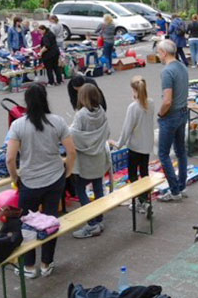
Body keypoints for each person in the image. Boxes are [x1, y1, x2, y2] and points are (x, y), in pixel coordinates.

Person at [6, 83, 76, 278]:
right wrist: (67, 172)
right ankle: (47, 263)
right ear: (45, 99)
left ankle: (28, 266)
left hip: (29, 181)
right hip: (55, 179)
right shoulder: (58, 121)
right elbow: (71, 151)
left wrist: (15, 178)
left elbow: (10, 158)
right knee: (50, 220)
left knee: (27, 223)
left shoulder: (18, 125)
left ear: (27, 102)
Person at [69, 84, 110, 239]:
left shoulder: (81, 115)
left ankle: (91, 223)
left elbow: (73, 134)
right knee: (98, 187)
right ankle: (99, 219)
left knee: (80, 189)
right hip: (98, 157)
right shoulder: (101, 111)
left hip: (85, 159)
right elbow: (107, 131)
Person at [111, 76, 154, 214]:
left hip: (135, 146)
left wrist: (118, 144)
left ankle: (140, 201)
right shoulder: (150, 103)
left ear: (134, 90)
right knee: (144, 173)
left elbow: (127, 129)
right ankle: (146, 200)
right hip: (146, 145)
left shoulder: (133, 107)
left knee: (133, 175)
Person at [156, 40, 189, 202]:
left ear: (163, 52)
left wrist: (161, 114)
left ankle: (174, 190)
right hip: (183, 112)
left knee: (163, 154)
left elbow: (167, 100)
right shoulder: (182, 66)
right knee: (181, 151)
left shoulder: (167, 72)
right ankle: (181, 186)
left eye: (158, 52)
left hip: (171, 115)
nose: (158, 55)